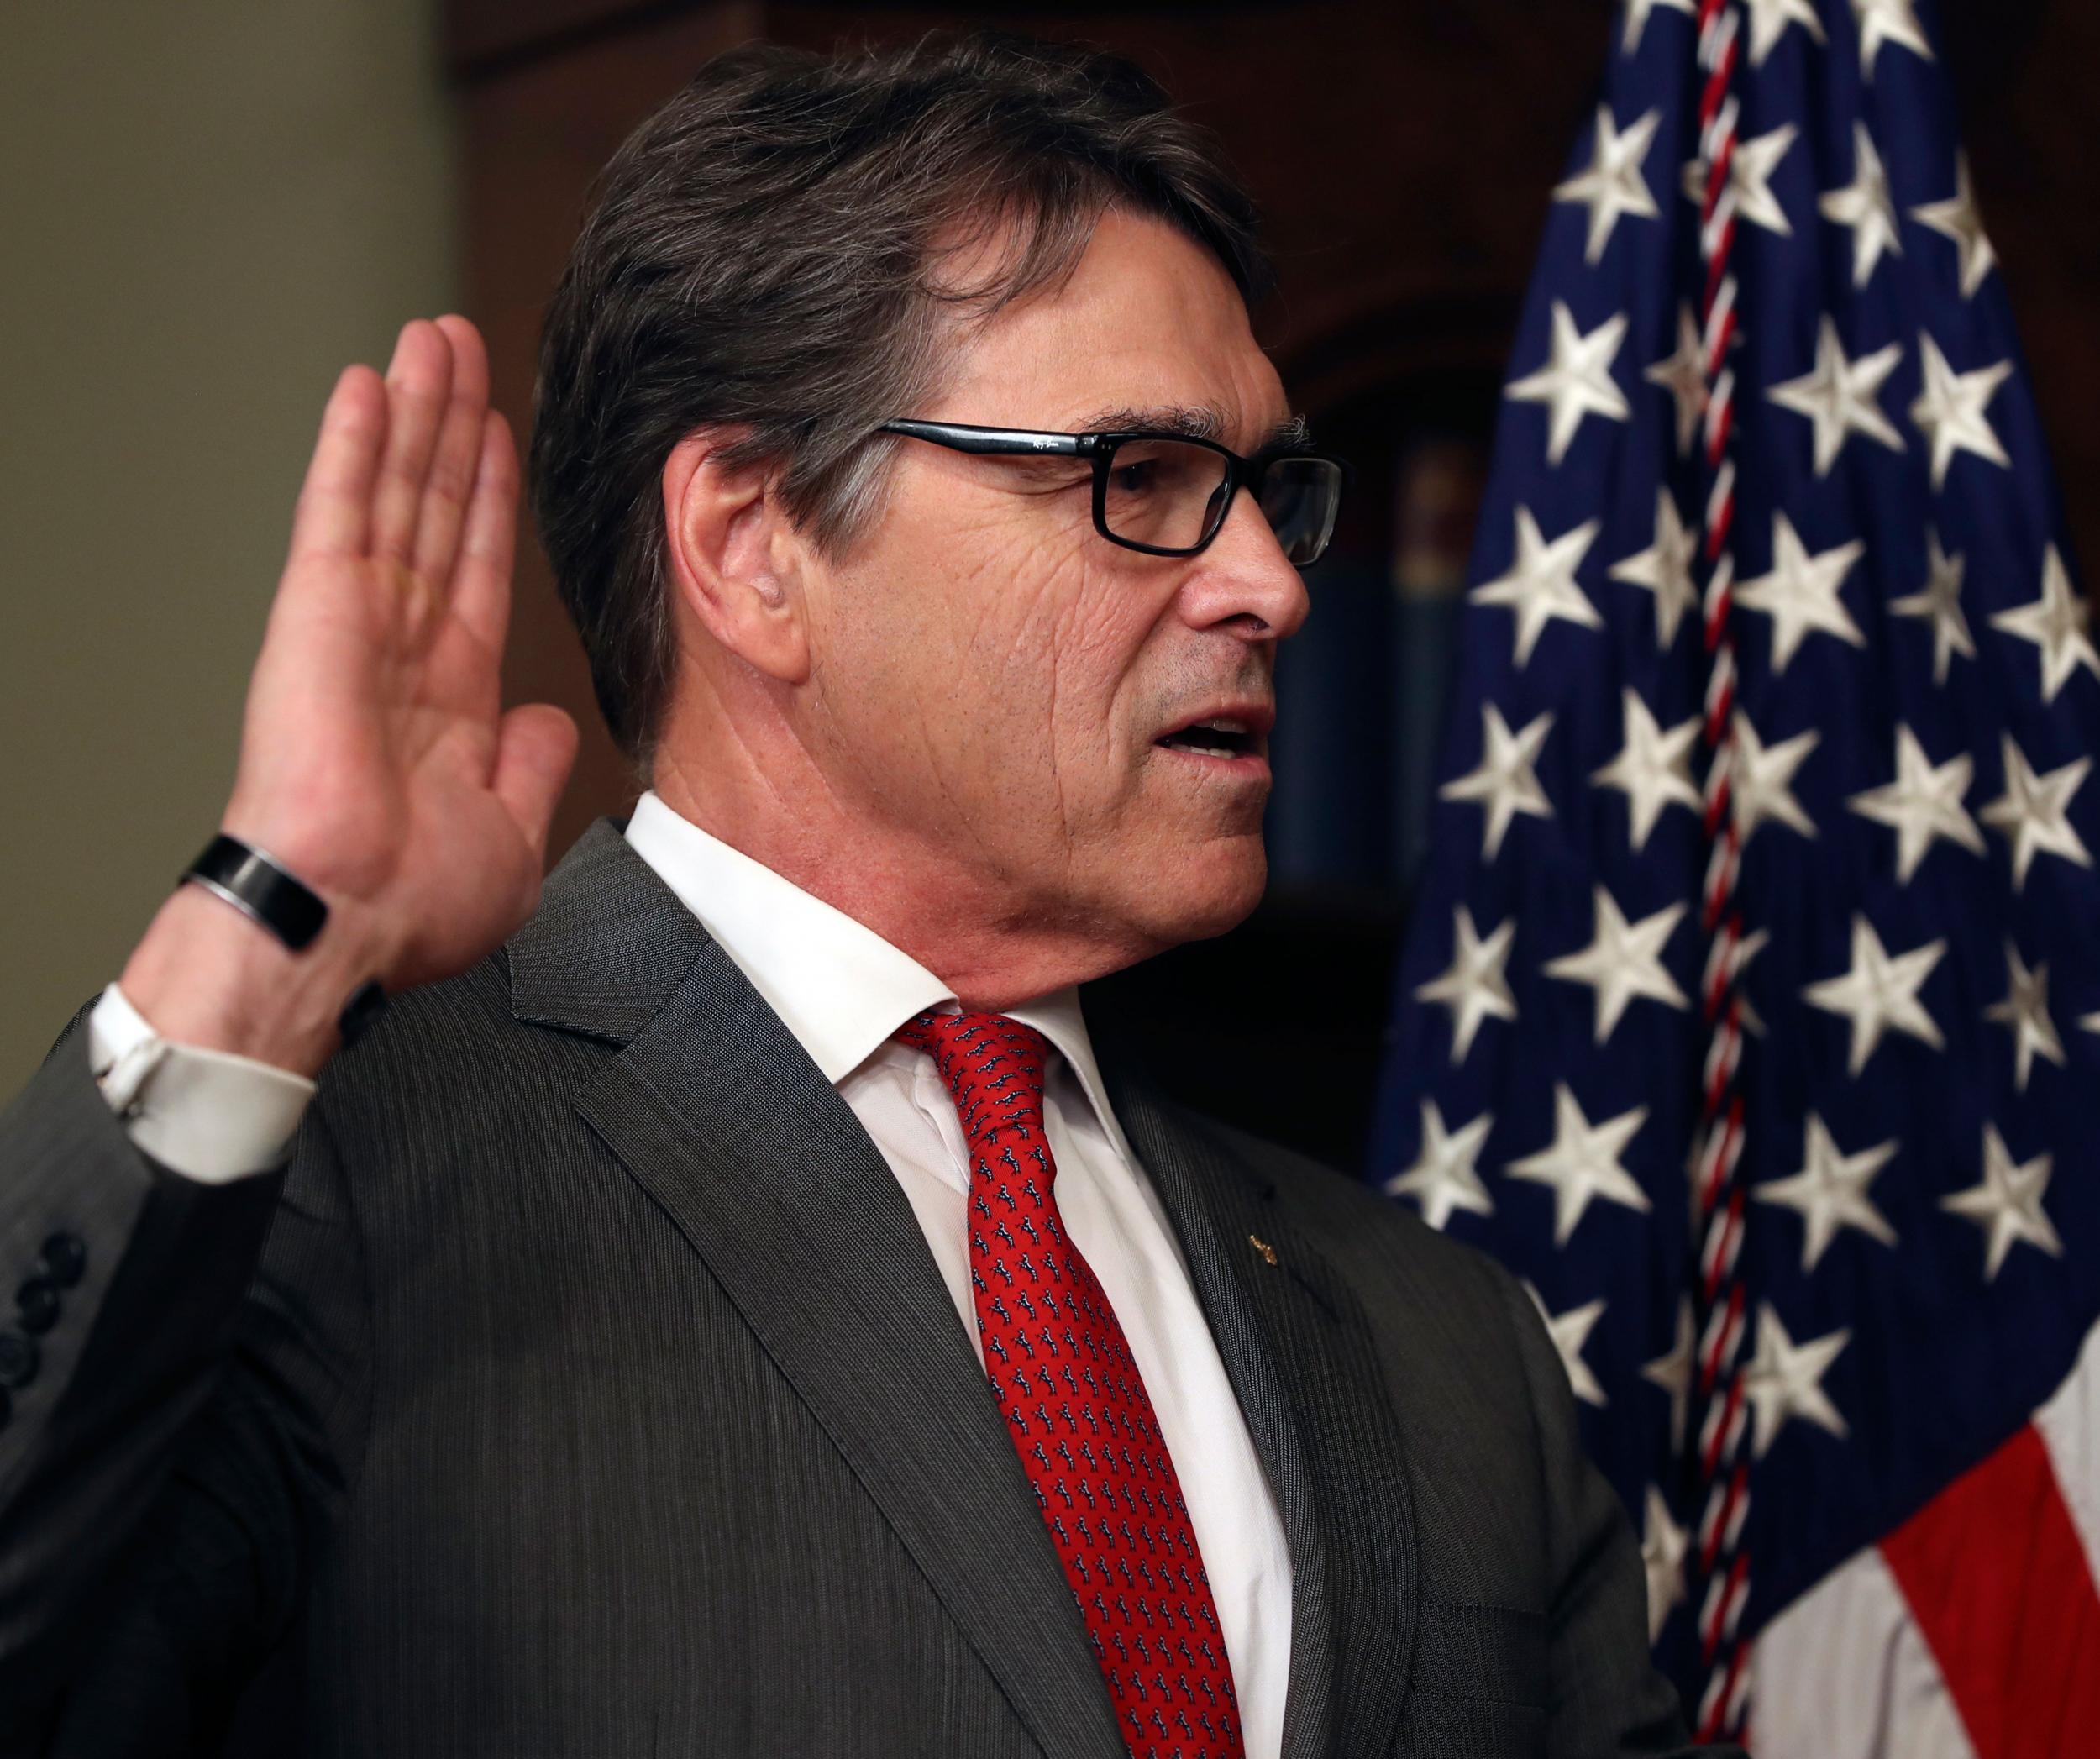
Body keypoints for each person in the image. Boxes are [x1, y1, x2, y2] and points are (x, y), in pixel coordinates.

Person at [0, 32, 1730, 1759]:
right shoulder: (331, 1197)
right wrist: (259, 934)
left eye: (1268, 492)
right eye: (1138, 481)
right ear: (756, 546)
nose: (1268, 584)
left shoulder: (1441, 1343)